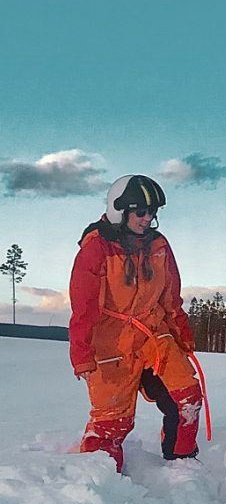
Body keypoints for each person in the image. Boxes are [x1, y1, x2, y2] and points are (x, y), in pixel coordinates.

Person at [68, 175, 202, 472]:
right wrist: (81, 353)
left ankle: (182, 465)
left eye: (152, 212)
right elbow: (83, 307)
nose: (147, 219)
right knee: (112, 423)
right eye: (140, 212)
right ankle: (100, 478)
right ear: (120, 210)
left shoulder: (158, 245)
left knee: (187, 398)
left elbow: (171, 298)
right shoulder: (97, 248)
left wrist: (183, 335)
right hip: (111, 343)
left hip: (153, 335)